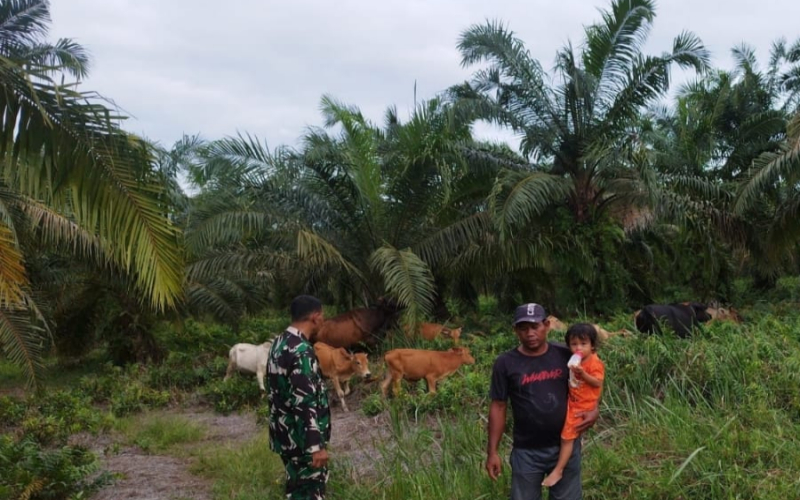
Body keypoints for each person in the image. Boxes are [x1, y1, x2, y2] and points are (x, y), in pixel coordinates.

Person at [486, 303, 599, 500]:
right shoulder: (505, 363)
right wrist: (492, 451)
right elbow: (498, 406)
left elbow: (590, 384)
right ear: (516, 331)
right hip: (526, 452)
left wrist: (594, 410)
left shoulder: (566, 355)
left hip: (566, 447)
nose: (530, 333)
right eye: (523, 328)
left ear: (546, 325)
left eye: (535, 326)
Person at [267, 295, 330, 500]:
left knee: (295, 491)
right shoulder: (302, 351)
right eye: (322, 317)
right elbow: (304, 400)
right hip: (302, 441)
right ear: (315, 317)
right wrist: (315, 445)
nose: (323, 321)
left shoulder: (279, 343)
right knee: (311, 493)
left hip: (284, 436)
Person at [541, 323, 605, 488]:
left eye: (583, 344)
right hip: (573, 401)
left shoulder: (593, 363)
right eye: (574, 344)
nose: (579, 348)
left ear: (592, 346)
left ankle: (558, 470)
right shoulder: (575, 359)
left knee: (566, 438)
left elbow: (598, 382)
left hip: (582, 406)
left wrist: (583, 374)